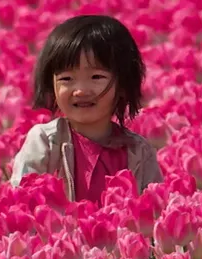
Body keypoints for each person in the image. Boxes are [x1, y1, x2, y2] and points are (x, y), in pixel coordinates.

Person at [10, 15, 163, 203]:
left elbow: (155, 208)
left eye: (96, 77)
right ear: (52, 85)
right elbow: (21, 201)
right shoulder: (45, 143)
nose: (81, 90)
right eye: (67, 79)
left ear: (123, 84)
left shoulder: (138, 152)